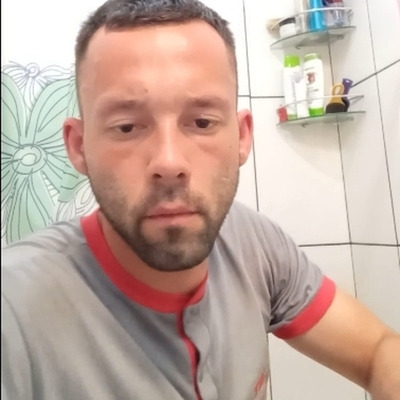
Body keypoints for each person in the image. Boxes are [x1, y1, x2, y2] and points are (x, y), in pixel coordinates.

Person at [2, 0, 399, 399]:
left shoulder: (256, 245)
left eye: (202, 122)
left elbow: (379, 352)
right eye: (126, 127)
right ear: (78, 147)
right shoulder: (15, 308)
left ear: (241, 137)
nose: (169, 162)